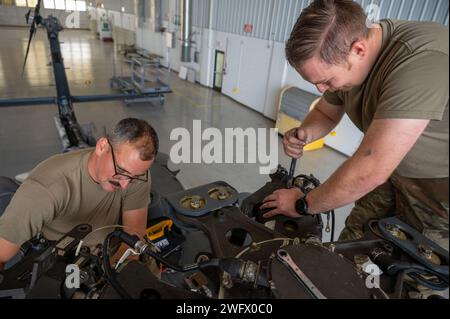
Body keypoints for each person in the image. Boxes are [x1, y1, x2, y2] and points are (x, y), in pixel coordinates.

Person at [260, 0, 449, 251]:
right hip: (390, 173)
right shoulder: (349, 61)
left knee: (413, 270)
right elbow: (326, 113)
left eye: (326, 81)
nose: (321, 89)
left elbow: (371, 168)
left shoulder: (421, 59)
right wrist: (306, 132)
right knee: (354, 245)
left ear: (358, 49)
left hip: (436, 188)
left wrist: (301, 204)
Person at [0, 118, 158, 270]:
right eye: (121, 171)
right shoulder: (48, 186)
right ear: (102, 146)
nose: (125, 185)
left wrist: (111, 274)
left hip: (110, 253)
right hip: (61, 259)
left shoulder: (137, 176)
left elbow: (133, 238)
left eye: (133, 177)